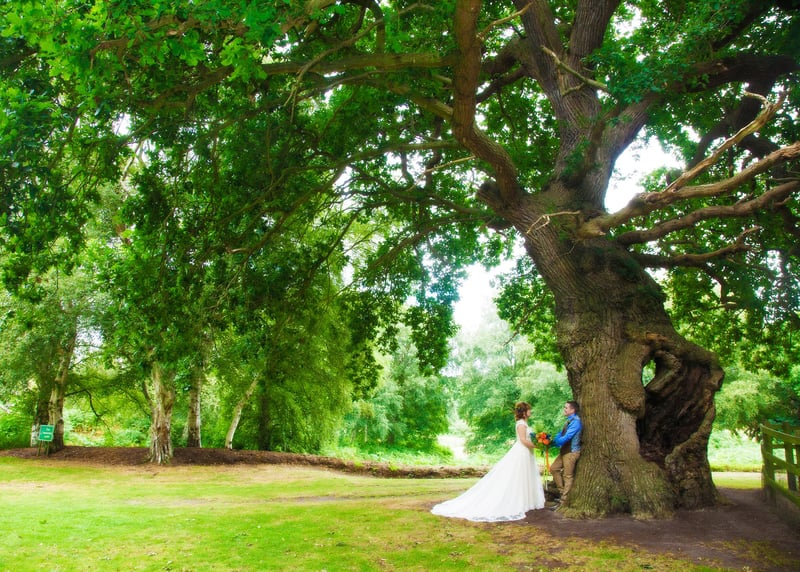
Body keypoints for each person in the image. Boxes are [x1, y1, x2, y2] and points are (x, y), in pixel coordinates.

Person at [430, 402, 545, 522]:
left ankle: (527, 501)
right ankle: (518, 501)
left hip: (527, 453)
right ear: (524, 412)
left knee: (525, 476)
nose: (531, 411)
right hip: (522, 452)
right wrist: (538, 446)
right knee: (519, 476)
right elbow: (523, 440)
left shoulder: (524, 423)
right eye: (529, 410)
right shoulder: (521, 424)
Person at [549, 400, 582, 508]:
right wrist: (551, 442)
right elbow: (560, 434)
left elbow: (567, 437)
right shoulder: (568, 421)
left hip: (571, 452)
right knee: (553, 468)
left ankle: (563, 502)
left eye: (566, 408)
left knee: (567, 476)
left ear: (572, 410)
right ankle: (562, 492)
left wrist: (557, 441)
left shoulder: (576, 422)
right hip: (564, 451)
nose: (564, 409)